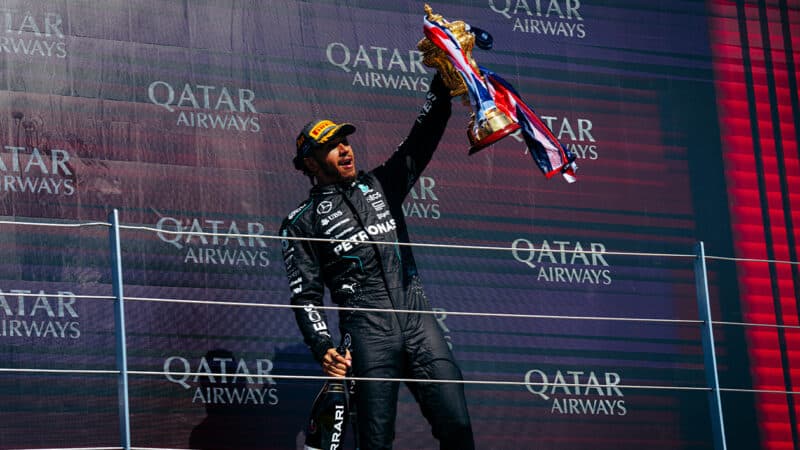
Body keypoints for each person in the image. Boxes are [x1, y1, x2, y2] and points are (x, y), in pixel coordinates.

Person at [279, 73, 474, 450]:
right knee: (375, 443)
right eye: (331, 146)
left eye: (345, 141)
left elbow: (423, 137)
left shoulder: (383, 184)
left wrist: (442, 83)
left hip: (419, 322)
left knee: (458, 427)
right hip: (368, 335)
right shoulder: (300, 221)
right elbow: (305, 297)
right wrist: (324, 348)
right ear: (310, 162)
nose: (345, 149)